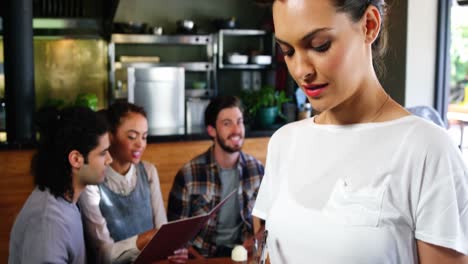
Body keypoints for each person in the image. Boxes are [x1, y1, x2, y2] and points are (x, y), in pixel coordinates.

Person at [252, 0, 468, 263]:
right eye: (288, 51)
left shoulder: (427, 150)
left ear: (369, 25)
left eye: (320, 46)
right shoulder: (284, 143)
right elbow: (268, 250)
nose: (301, 70)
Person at [78, 101, 188, 264]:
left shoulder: (149, 171)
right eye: (132, 136)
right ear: (111, 136)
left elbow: (162, 232)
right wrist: (147, 238)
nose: (140, 144)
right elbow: (104, 255)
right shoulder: (92, 181)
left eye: (144, 137)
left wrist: (173, 251)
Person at [9, 106, 112, 264]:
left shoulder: (68, 200)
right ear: (76, 159)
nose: (109, 160)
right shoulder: (48, 223)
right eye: (103, 153)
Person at [167, 96, 265, 258]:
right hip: (200, 257)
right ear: (211, 130)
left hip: (243, 255)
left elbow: (270, 221)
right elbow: (175, 234)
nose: (236, 130)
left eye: (239, 121)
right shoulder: (189, 174)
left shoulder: (257, 170)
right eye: (227, 123)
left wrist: (256, 239)